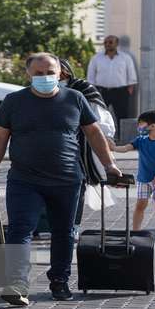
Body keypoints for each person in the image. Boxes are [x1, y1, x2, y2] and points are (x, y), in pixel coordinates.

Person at [0, 52, 121, 306]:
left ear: (60, 73)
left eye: (50, 72)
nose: (45, 77)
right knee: (21, 230)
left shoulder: (75, 99)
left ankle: (59, 281)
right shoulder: (14, 101)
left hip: (67, 181)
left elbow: (94, 133)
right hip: (24, 180)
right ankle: (17, 283)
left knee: (64, 233)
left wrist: (110, 165)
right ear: (28, 74)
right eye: (39, 73)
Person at [58, 58, 116, 241]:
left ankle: (72, 225)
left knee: (76, 187)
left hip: (79, 148)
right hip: (49, 149)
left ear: (64, 71)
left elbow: (98, 121)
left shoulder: (82, 89)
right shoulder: (35, 92)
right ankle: (45, 227)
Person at [110, 110, 155, 244]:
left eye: (142, 124)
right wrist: (113, 148)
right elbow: (126, 148)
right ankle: (135, 233)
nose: (139, 126)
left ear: (153, 126)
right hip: (143, 179)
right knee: (140, 205)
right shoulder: (140, 141)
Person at [87, 35, 138, 137]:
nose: (107, 44)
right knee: (99, 114)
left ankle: (121, 137)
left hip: (121, 91)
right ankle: (100, 137)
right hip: (101, 91)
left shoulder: (125, 58)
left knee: (122, 115)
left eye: (110, 42)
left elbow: (131, 74)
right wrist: (93, 89)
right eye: (105, 42)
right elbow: (91, 75)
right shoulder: (97, 58)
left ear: (116, 44)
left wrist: (129, 90)